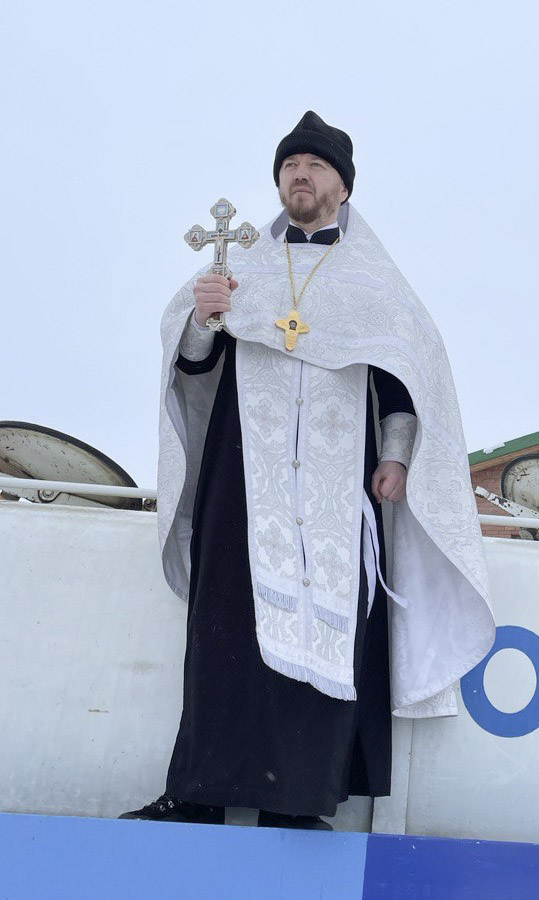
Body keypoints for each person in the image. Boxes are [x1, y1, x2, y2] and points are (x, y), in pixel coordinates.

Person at [122, 112, 495, 829]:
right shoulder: (239, 267)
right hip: (243, 480)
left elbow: (404, 383)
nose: (300, 174)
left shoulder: (376, 285)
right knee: (223, 634)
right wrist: (203, 318)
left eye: (315, 166)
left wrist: (394, 456)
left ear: (343, 187)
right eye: (290, 165)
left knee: (328, 633)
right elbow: (195, 367)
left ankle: (297, 805)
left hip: (334, 491)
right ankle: (195, 794)